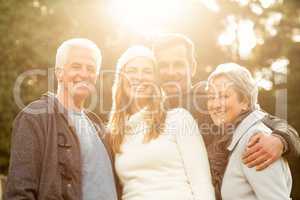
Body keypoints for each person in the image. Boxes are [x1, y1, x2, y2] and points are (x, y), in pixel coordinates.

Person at [151, 33, 300, 199]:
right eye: (163, 65)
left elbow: (266, 120)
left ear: (192, 67)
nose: (171, 72)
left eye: (178, 64)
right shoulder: (149, 114)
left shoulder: (209, 97)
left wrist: (280, 139)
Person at [5, 38, 118, 200]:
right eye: (76, 66)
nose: (84, 74)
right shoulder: (35, 117)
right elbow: (19, 191)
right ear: (59, 73)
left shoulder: (100, 128)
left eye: (91, 69)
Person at [108, 45, 215, 200]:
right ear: (120, 79)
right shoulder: (115, 133)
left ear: (155, 80)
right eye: (132, 71)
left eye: (147, 71)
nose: (139, 77)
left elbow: (201, 183)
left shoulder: (178, 119)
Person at [206, 63, 292, 199]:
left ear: (245, 101)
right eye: (211, 97)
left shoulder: (255, 140)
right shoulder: (230, 138)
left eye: (224, 96)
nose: (215, 104)